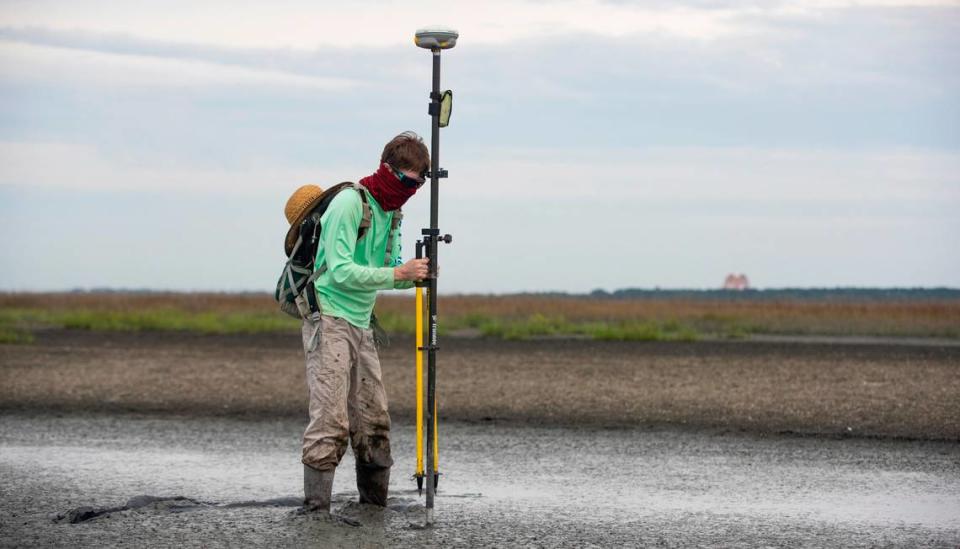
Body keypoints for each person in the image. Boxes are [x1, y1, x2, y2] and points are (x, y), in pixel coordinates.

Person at [283, 132, 431, 513]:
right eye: (405, 181)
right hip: (329, 316)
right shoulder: (350, 204)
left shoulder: (391, 212)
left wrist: (414, 275)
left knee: (373, 419)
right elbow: (340, 271)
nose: (410, 190)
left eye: (418, 183)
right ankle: (316, 512)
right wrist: (399, 274)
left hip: (362, 321)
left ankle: (373, 507)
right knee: (330, 419)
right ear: (386, 170)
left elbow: (382, 271)